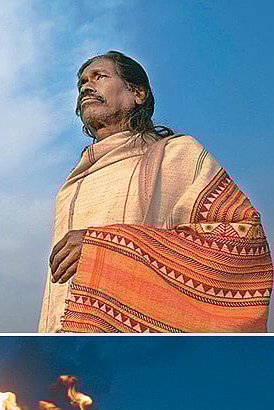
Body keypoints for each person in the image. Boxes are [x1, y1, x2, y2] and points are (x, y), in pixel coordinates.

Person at [40, 50, 271, 333]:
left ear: (138, 93)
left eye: (99, 76)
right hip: (76, 349)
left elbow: (243, 235)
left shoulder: (177, 155)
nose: (87, 86)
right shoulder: (71, 187)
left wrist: (103, 247)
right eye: (82, 83)